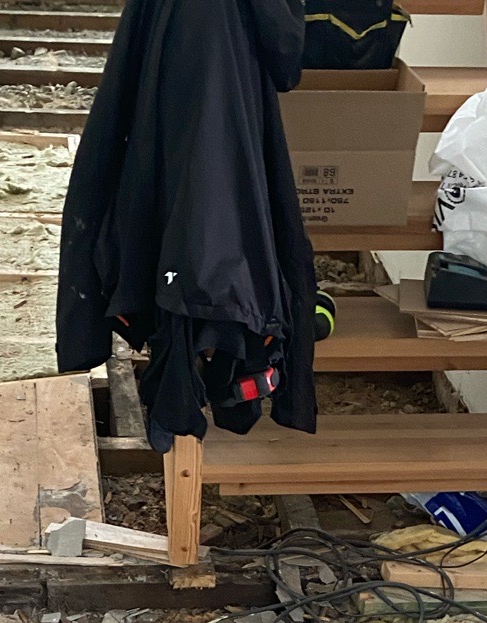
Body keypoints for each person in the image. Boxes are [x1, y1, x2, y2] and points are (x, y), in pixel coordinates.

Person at [56, 0, 318, 452]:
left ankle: (186, 358)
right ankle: (198, 362)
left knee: (187, 205)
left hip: (181, 58)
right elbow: (285, 52)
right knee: (206, 206)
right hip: (218, 68)